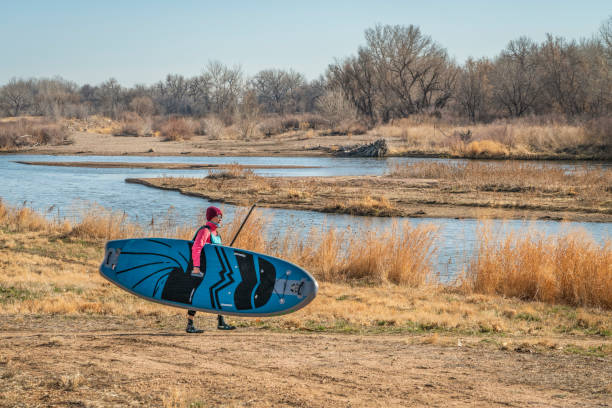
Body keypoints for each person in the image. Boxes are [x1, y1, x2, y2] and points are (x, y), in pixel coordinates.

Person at [186, 206, 236, 333]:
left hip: (214, 270)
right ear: (211, 217)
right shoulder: (205, 231)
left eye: (221, 217)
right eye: (218, 216)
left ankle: (221, 322)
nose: (220, 219)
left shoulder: (216, 234)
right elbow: (196, 248)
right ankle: (190, 324)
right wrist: (196, 267)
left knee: (220, 292)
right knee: (197, 294)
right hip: (202, 269)